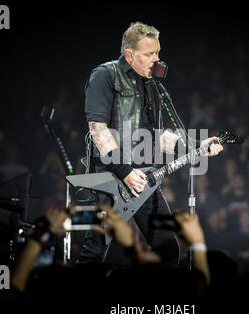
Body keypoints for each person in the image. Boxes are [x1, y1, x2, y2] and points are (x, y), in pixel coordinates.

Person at [78, 22, 223, 266]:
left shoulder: (152, 85)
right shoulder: (105, 75)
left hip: (145, 178)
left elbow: (158, 138)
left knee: (167, 249)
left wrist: (197, 145)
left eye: (157, 52)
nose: (156, 59)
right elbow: (98, 129)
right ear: (129, 54)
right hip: (110, 177)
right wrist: (124, 171)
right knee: (94, 253)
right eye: (149, 54)